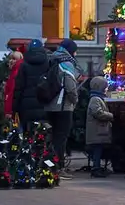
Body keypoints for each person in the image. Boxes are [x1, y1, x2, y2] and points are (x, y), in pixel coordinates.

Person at [45, 38, 81, 178]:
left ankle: (48, 165)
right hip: (63, 107)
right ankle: (58, 168)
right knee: (61, 138)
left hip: (49, 105)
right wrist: (75, 100)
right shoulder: (66, 63)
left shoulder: (52, 60)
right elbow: (70, 87)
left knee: (52, 137)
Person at [12, 40, 50, 130]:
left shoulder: (23, 65)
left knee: (27, 133)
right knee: (43, 132)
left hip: (26, 107)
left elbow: (18, 88)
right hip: (44, 105)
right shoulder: (48, 64)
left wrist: (15, 108)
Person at [85, 76, 114, 178]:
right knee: (97, 150)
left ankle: (97, 167)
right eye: (105, 87)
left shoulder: (97, 98)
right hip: (97, 131)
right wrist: (110, 116)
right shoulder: (95, 99)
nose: (106, 89)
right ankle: (96, 168)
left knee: (99, 149)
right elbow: (98, 113)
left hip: (99, 130)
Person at [3, 49, 24, 118]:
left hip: (14, 109)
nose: (11, 61)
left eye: (14, 59)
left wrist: (8, 111)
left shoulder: (16, 73)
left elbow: (11, 93)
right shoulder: (15, 71)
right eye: (10, 59)